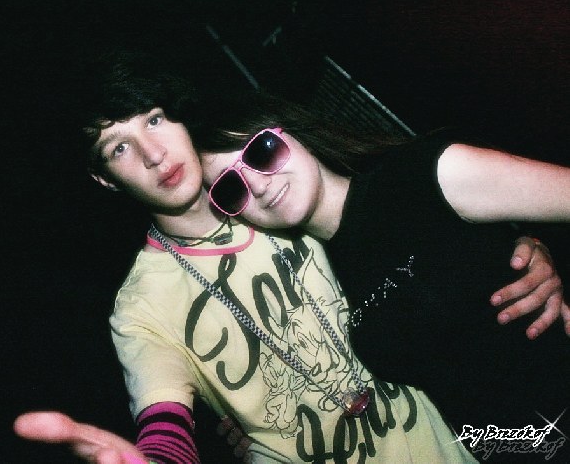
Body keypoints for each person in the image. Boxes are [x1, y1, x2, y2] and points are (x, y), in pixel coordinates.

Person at [14, 52, 565, 463]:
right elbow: (165, 422)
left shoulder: (292, 198)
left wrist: (524, 246)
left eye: (154, 119)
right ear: (105, 178)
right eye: (119, 147)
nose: (154, 154)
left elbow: (423, 220)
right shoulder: (141, 308)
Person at [194, 89, 570, 462]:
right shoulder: (317, 277)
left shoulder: (422, 175)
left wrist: (545, 253)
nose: (258, 185)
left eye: (261, 152)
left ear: (293, 133)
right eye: (231, 187)